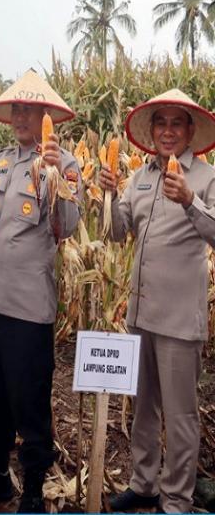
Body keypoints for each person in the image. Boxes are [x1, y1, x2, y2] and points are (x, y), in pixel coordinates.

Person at [0, 70, 82, 513]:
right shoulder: (1, 162)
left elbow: (68, 225)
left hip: (31, 307)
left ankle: (31, 489)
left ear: (47, 114)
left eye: (29, 109)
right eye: (17, 110)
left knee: (30, 401)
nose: (21, 116)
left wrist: (52, 176)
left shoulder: (65, 164)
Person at [102, 89, 215, 514]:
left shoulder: (205, 178)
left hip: (179, 318)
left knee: (181, 415)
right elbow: (117, 233)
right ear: (151, 131)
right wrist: (110, 195)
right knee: (142, 408)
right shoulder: (141, 176)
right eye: (161, 123)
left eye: (176, 123)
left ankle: (177, 500)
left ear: (190, 132)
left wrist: (190, 200)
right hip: (141, 313)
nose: (167, 131)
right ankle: (144, 483)